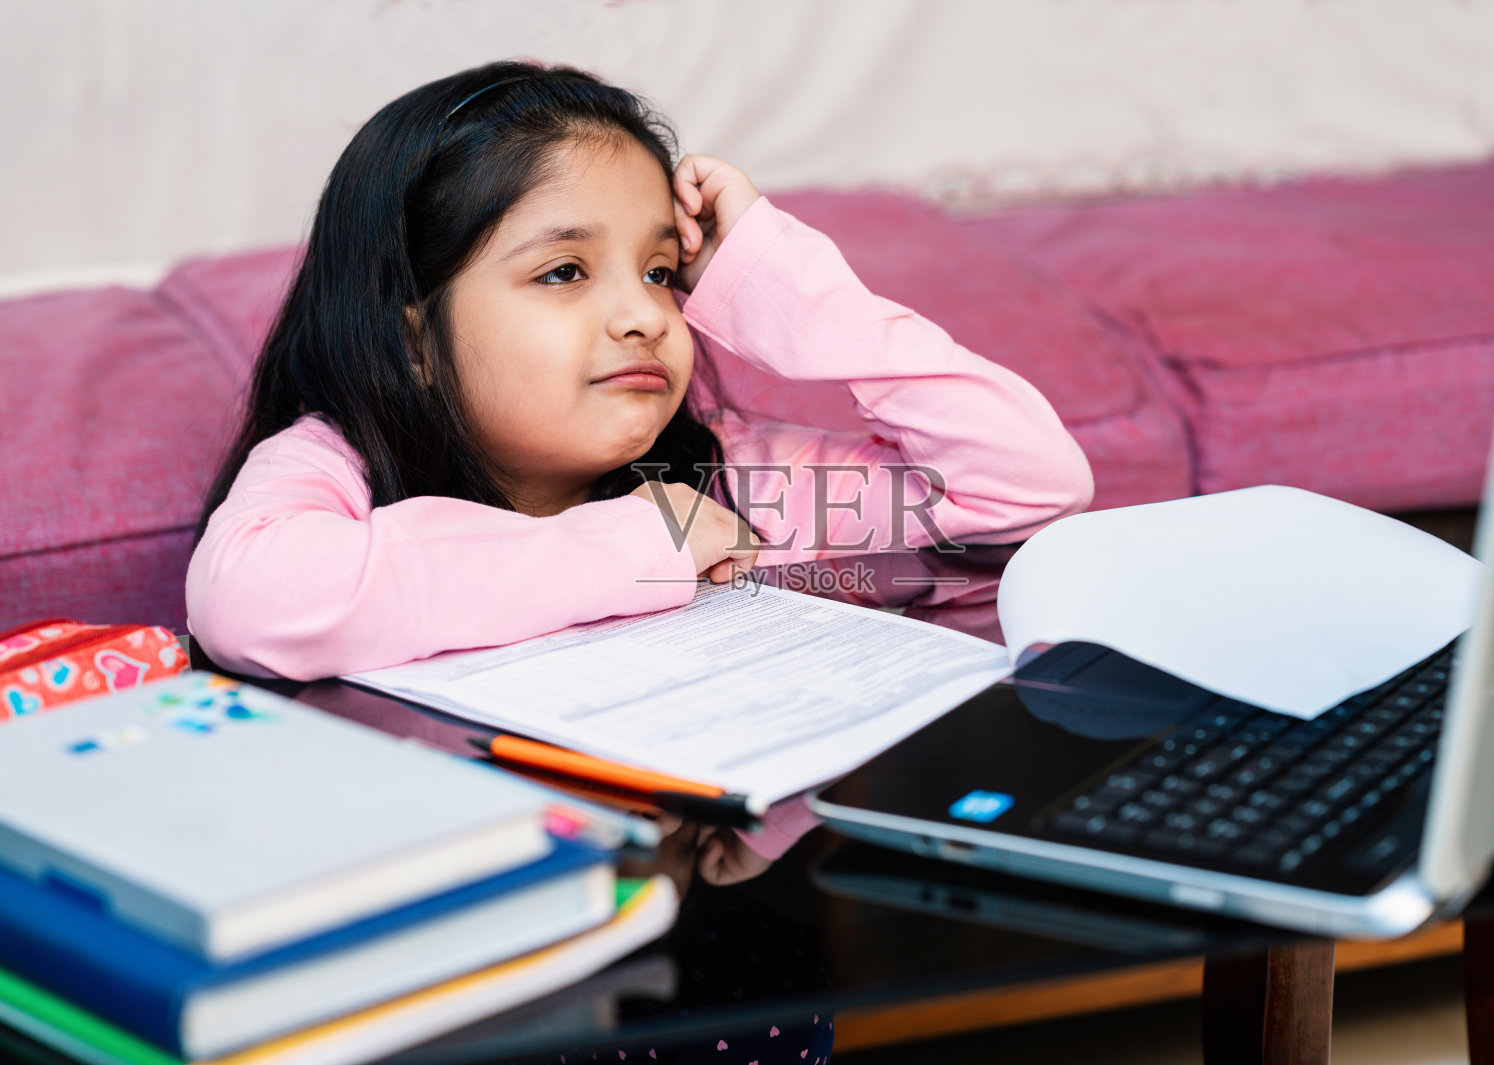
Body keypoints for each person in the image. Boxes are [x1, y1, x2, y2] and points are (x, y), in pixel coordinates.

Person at [186, 58, 1090, 879]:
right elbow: (250, 600)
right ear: (411, 337)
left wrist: (785, 284)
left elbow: (1021, 489)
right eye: (565, 272)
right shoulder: (337, 458)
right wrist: (638, 545)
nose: (643, 315)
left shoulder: (731, 476)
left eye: (662, 272)